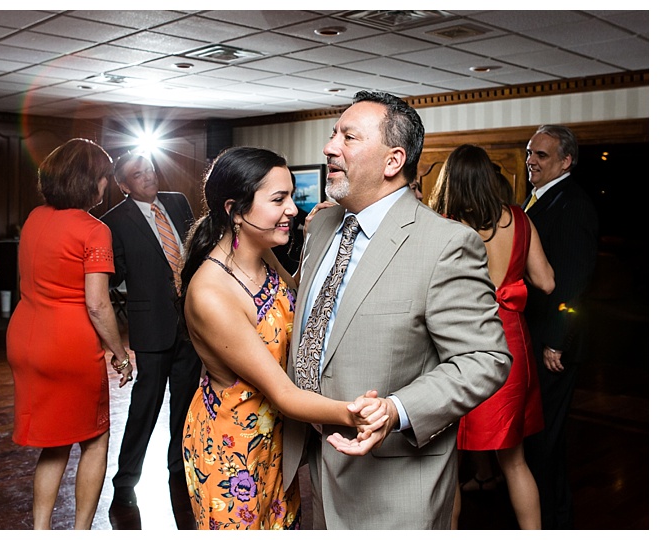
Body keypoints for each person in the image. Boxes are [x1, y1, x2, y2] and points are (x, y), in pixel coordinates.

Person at [282, 91, 513, 529]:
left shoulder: (445, 244)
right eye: (333, 134)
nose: (330, 147)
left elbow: (485, 359)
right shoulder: (323, 224)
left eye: (349, 137)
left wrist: (396, 409)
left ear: (393, 161)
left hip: (393, 476)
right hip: (312, 459)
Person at [179, 146, 388, 530]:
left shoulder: (259, 255)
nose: (293, 208)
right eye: (279, 199)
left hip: (275, 440)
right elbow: (284, 395)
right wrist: (353, 414)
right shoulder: (211, 293)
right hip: (232, 446)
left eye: (291, 195)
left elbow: (298, 305)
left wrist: (318, 237)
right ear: (235, 210)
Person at [6, 138, 133, 530]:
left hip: (25, 338)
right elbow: (97, 304)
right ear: (89, 181)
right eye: (102, 179)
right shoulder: (94, 230)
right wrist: (120, 352)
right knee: (94, 439)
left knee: (55, 440)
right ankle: (80, 532)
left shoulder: (34, 218)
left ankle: (41, 530)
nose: (105, 186)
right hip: (68, 345)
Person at [428, 144, 555, 530]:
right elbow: (547, 282)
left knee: (448, 463)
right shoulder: (519, 218)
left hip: (457, 342)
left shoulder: (444, 226)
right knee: (514, 461)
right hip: (510, 343)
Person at [99, 152, 202, 524]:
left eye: (151, 169)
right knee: (144, 409)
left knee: (186, 405)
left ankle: (180, 470)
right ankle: (126, 482)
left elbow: (196, 251)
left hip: (191, 324)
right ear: (123, 186)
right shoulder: (112, 223)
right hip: (151, 327)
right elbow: (110, 276)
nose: (149, 176)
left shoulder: (177, 202)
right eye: (138, 174)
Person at [521, 125, 599, 529]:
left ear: (566, 161)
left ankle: (553, 523)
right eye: (530, 152)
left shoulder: (574, 205)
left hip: (553, 346)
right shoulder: (539, 198)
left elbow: (572, 283)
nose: (531, 160)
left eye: (542, 155)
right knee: (538, 438)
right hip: (533, 337)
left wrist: (556, 341)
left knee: (545, 440)